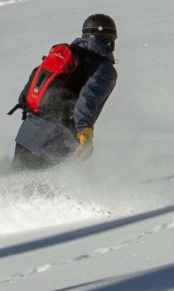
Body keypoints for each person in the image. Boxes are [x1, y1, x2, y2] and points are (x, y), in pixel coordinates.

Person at [11, 13, 118, 172]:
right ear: (108, 41)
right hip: (54, 140)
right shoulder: (103, 69)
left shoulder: (67, 56)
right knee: (40, 187)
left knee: (15, 182)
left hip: (28, 133)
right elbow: (88, 100)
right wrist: (84, 130)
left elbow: (29, 88)